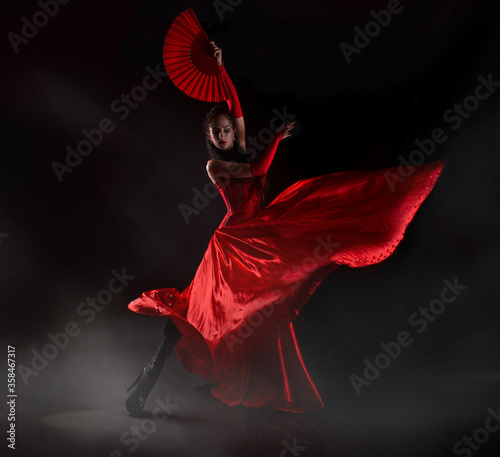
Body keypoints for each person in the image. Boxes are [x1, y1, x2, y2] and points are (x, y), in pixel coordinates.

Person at [125, 41, 445, 416]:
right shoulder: (216, 168)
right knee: (192, 311)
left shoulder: (239, 146)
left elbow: (235, 106)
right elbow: (257, 172)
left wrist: (220, 65)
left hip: (256, 232)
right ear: (210, 137)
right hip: (233, 242)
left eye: (227, 130)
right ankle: (146, 379)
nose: (224, 135)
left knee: (256, 303)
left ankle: (159, 381)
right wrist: (275, 138)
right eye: (218, 132)